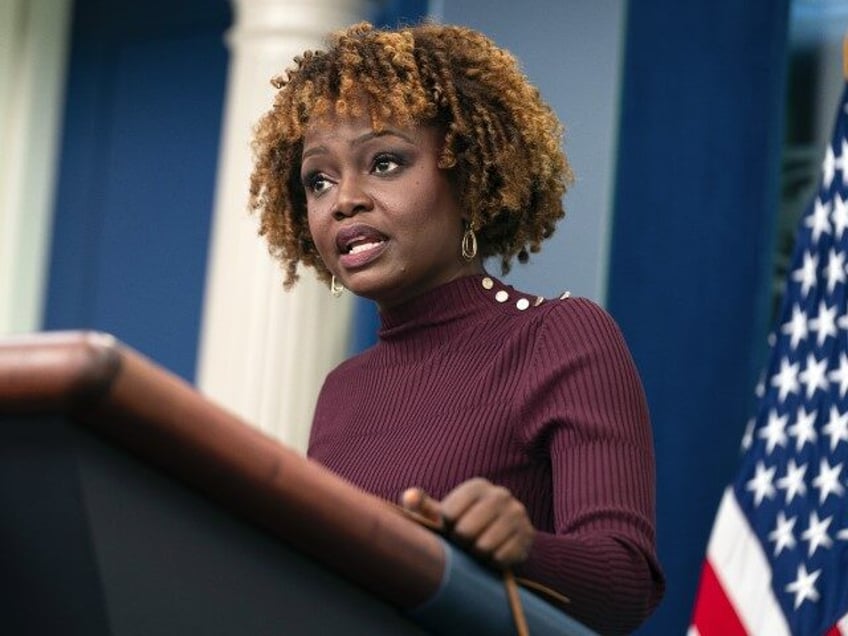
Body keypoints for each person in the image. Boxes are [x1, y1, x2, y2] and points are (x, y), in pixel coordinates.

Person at [248, 21, 664, 635]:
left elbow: (628, 583)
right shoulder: (343, 390)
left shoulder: (559, 336)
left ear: (467, 176)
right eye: (320, 180)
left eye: (384, 162)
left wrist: (521, 549)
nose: (345, 201)